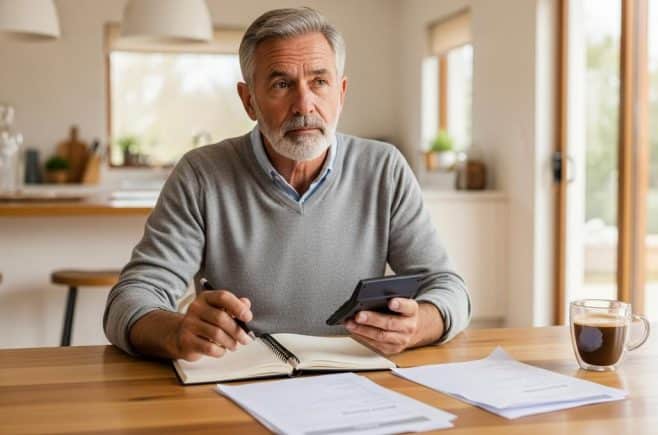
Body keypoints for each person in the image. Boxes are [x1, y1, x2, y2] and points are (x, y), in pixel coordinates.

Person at [103, 7, 471, 361]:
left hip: (355, 383)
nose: (304, 104)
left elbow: (449, 288)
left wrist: (418, 324)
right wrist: (175, 331)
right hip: (242, 382)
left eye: (319, 82)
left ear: (340, 93)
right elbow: (131, 299)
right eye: (282, 83)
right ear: (249, 101)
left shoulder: (384, 168)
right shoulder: (201, 174)